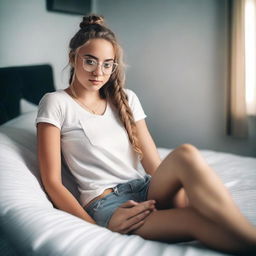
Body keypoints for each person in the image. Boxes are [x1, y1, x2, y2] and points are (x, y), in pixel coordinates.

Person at [36, 14, 256, 254]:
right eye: (90, 61)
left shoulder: (126, 99)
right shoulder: (56, 103)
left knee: (186, 153)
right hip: (109, 204)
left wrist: (179, 188)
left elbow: (153, 164)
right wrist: (95, 228)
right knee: (194, 219)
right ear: (73, 58)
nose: (99, 72)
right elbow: (53, 182)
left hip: (146, 188)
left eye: (107, 64)